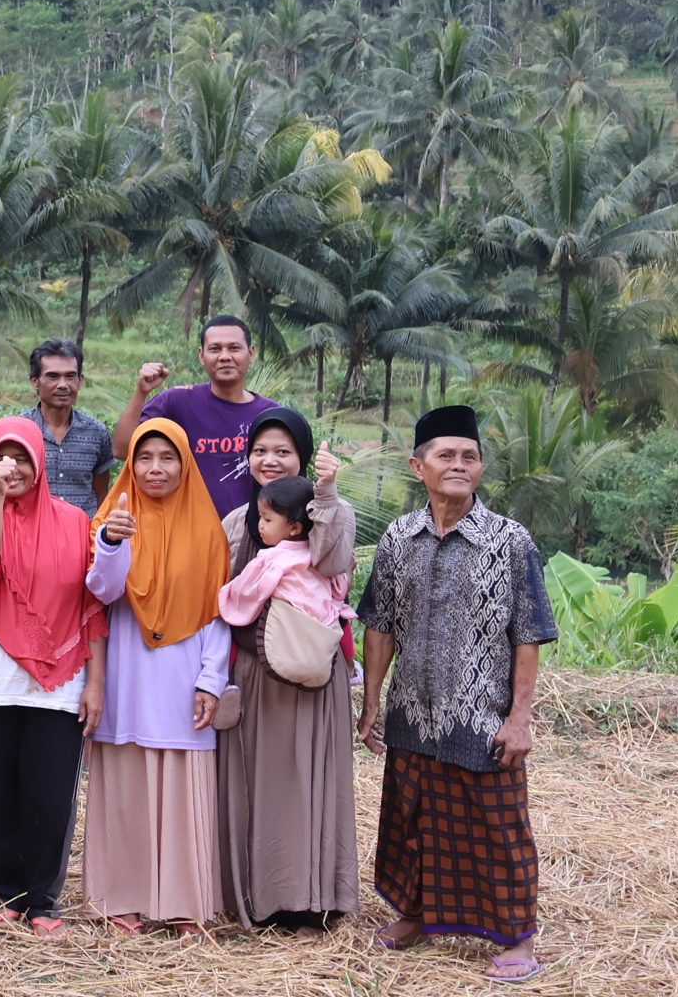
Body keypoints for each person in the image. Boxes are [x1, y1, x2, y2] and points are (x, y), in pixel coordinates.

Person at [358, 405, 557, 985]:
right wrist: (373, 702)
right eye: (446, 456)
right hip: (412, 714)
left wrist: (520, 718)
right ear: (418, 466)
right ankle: (415, 915)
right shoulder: (398, 538)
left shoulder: (509, 541)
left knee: (499, 827)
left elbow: (530, 632)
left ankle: (517, 937)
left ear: (481, 468)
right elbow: (380, 624)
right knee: (411, 818)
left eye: (469, 457)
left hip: (481, 715)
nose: (458, 465)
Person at [0, 417, 107, 939]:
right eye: (0, 457)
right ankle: (7, 894)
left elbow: (93, 607)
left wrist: (97, 682)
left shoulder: (72, 521)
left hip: (58, 682)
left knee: (49, 795)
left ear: (39, 461)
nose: (11, 466)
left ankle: (43, 900)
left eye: (20, 457)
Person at [84, 419, 233, 934]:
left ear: (185, 463)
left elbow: (219, 612)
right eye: (143, 458)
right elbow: (102, 592)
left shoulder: (208, 528)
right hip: (127, 672)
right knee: (125, 783)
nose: (154, 468)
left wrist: (212, 679)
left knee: (182, 785)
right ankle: (119, 898)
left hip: (183, 677)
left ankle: (184, 904)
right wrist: (110, 541)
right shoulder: (114, 514)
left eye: (167, 458)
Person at [215, 406, 361, 930]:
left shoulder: (329, 515)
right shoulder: (239, 520)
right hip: (257, 675)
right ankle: (260, 894)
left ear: (303, 456)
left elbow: (333, 562)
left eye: (283, 451)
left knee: (309, 781)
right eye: (260, 451)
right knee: (261, 782)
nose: (270, 460)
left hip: (312, 676)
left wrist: (326, 495)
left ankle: (313, 898)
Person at [111, 314, 279, 516]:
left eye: (234, 348)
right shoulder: (177, 402)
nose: (224, 356)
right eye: (215, 349)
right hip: (191, 534)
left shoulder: (271, 415)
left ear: (251, 354)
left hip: (252, 534)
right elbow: (122, 450)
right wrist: (141, 391)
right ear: (201, 356)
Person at [21, 338, 116, 516]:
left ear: (80, 381)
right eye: (53, 376)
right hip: (33, 536)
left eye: (70, 376)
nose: (63, 385)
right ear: (35, 381)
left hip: (83, 536)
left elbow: (101, 493)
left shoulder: (96, 433)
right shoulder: (19, 432)